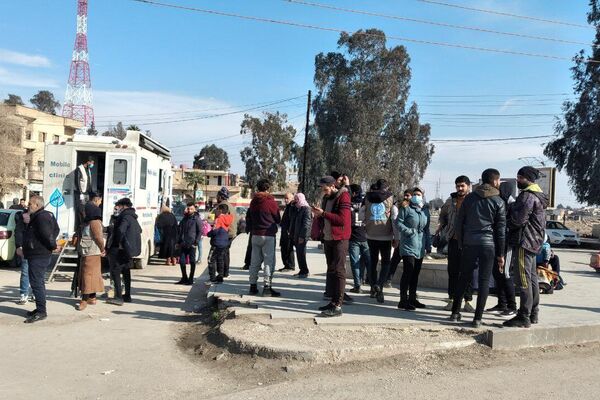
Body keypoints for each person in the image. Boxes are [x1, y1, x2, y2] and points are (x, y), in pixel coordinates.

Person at [449, 169, 506, 328]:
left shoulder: (469, 199)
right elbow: (500, 231)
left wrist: (461, 242)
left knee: (463, 277)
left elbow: (459, 223)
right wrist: (500, 254)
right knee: (484, 280)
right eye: (499, 180)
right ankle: (477, 319)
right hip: (488, 245)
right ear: (495, 181)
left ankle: (454, 313)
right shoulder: (498, 201)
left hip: (469, 243)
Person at [504, 166, 549, 328]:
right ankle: (533, 313)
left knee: (523, 279)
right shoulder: (539, 196)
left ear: (527, 178)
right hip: (534, 242)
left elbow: (518, 221)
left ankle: (523, 315)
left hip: (524, 241)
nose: (517, 181)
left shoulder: (527, 196)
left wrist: (507, 217)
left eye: (520, 178)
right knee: (532, 278)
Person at [313, 176, 352, 317]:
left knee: (339, 270)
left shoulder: (344, 196)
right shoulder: (326, 199)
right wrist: (319, 215)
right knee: (332, 270)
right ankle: (333, 301)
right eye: (322, 189)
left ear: (333, 185)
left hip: (340, 238)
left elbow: (342, 220)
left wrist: (323, 213)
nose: (324, 191)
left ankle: (338, 305)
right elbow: (326, 217)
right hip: (328, 238)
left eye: (325, 188)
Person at [437, 176, 475, 313]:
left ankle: (467, 301)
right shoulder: (450, 201)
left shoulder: (474, 200)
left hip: (469, 241)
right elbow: (443, 215)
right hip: (453, 240)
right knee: (452, 271)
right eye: (458, 186)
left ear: (469, 186)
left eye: (462, 186)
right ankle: (451, 299)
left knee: (467, 272)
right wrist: (442, 225)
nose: (460, 189)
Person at [22, 195, 59, 323]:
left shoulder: (41, 216)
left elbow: (47, 234)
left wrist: (52, 245)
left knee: (37, 283)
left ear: (37, 205)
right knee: (38, 282)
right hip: (38, 254)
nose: (28, 205)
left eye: (30, 204)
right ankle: (39, 309)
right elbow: (56, 230)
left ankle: (42, 311)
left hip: (39, 255)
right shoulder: (42, 215)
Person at [363, 179, 399, 304]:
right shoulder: (390, 198)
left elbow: (362, 215)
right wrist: (396, 237)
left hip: (371, 235)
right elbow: (394, 219)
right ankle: (380, 287)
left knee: (373, 262)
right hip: (386, 236)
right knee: (385, 263)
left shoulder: (367, 198)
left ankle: (373, 288)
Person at [396, 188, 431, 311]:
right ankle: (403, 300)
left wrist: (428, 245)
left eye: (419, 194)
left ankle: (412, 298)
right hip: (408, 244)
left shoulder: (425, 210)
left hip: (420, 246)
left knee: (415, 273)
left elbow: (427, 229)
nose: (416, 196)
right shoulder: (405, 208)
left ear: (423, 196)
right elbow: (398, 223)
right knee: (408, 271)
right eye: (414, 194)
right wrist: (409, 231)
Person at [247, 179, 282, 297]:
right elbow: (277, 218)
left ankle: (252, 286)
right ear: (268, 188)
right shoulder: (270, 201)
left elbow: (249, 216)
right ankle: (267, 287)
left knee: (254, 261)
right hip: (268, 234)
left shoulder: (253, 201)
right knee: (268, 261)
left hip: (255, 234)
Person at [487, 181, 518, 316]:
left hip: (508, 245)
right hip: (497, 243)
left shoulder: (513, 205)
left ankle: (512, 306)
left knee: (506, 274)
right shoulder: (500, 203)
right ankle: (502, 303)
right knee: (497, 273)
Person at [106, 198, 142, 306]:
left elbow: (121, 230)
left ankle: (118, 297)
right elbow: (139, 230)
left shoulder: (125, 217)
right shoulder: (133, 217)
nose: (117, 208)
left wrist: (117, 242)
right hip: (128, 250)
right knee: (126, 271)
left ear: (124, 206)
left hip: (120, 249)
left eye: (119, 206)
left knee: (116, 271)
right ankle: (127, 295)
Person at [76, 193, 106, 311]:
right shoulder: (91, 222)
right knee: (92, 274)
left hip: (91, 251)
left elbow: (98, 237)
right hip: (89, 251)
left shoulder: (93, 222)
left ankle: (84, 299)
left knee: (87, 275)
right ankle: (92, 297)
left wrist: (102, 248)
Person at [386, 190, 413, 287]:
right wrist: (396, 238)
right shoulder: (399, 207)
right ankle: (388, 279)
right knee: (395, 260)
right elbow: (396, 223)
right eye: (405, 195)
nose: (406, 197)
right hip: (401, 239)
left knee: (408, 264)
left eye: (408, 195)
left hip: (410, 240)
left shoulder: (414, 209)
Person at [348, 184, 370, 293]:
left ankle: (357, 285)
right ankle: (374, 285)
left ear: (354, 193)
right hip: (365, 236)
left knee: (354, 262)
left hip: (353, 237)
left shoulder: (348, 204)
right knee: (368, 262)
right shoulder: (366, 203)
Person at [177, 202, 202, 285]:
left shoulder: (196, 219)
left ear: (194, 209)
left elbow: (200, 231)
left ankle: (191, 279)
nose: (189, 210)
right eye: (188, 208)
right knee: (182, 261)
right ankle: (184, 277)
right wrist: (178, 241)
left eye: (191, 209)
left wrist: (196, 242)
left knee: (192, 261)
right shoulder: (185, 218)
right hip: (183, 243)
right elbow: (180, 229)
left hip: (192, 244)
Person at [207, 203, 234, 283]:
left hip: (216, 242)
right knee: (220, 259)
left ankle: (212, 278)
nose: (216, 211)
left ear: (220, 210)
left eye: (217, 209)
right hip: (224, 243)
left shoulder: (219, 219)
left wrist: (209, 234)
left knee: (211, 259)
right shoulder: (228, 218)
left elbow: (215, 231)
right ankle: (220, 277)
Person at [215, 187, 238, 278]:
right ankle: (225, 272)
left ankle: (222, 273)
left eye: (217, 196)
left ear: (220, 196)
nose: (216, 197)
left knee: (221, 253)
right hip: (231, 233)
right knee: (226, 252)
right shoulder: (229, 205)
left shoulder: (222, 205)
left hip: (226, 233)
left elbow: (216, 219)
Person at [290, 192, 312, 278]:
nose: (295, 201)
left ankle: (305, 271)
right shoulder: (298, 209)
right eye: (295, 199)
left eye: (297, 199)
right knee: (299, 254)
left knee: (302, 253)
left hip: (301, 236)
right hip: (296, 235)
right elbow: (291, 216)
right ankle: (302, 270)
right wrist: (292, 205)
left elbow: (306, 224)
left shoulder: (306, 209)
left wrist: (302, 236)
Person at [15, 211, 33, 305]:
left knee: (37, 274)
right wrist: (19, 246)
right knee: (25, 272)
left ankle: (35, 293)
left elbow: (53, 229)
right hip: (26, 249)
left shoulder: (43, 215)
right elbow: (18, 232)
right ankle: (24, 294)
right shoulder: (23, 217)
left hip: (39, 250)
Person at [278, 193, 296, 272]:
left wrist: (290, 229)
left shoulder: (292, 206)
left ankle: (290, 266)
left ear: (292, 198)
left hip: (289, 231)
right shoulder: (288, 207)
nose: (285, 200)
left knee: (288, 248)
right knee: (283, 247)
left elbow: (292, 219)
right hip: (284, 230)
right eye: (285, 198)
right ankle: (286, 265)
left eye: (287, 198)